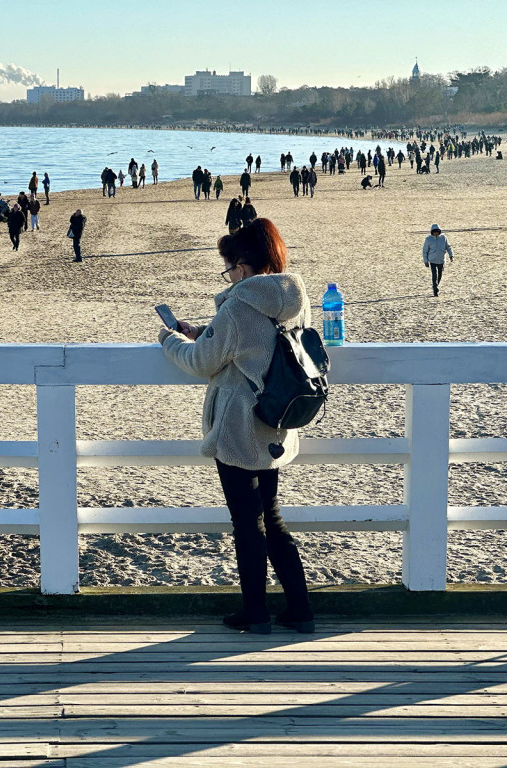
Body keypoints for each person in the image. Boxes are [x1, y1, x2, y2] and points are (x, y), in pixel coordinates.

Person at [157, 218, 315, 635]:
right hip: (277, 421)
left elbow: (202, 362)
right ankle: (299, 610)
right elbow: (253, 343)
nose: (228, 276)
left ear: (242, 268)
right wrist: (204, 331)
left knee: (247, 522)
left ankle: (256, 613)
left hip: (239, 424)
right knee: (272, 517)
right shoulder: (294, 297)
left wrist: (170, 340)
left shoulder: (240, 303)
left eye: (228, 268)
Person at [423, 223, 453, 297]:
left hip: (441, 260)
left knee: (440, 275)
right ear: (432, 232)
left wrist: (451, 255)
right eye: (434, 231)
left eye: (437, 231)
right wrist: (425, 261)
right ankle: (435, 288)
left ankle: (436, 285)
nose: (436, 233)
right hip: (432, 260)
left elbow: (448, 247)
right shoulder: (428, 239)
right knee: (434, 275)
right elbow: (425, 251)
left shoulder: (443, 238)